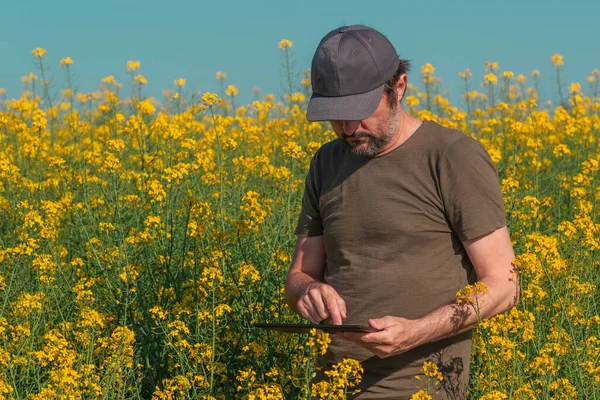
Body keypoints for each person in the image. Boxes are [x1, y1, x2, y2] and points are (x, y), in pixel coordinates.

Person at [284, 25, 519, 399]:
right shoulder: (326, 163)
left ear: (399, 87)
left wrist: (416, 332)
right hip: (330, 387)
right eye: (335, 115)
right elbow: (299, 274)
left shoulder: (452, 157)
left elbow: (504, 286)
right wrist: (307, 291)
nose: (347, 128)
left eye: (359, 112)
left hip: (420, 388)